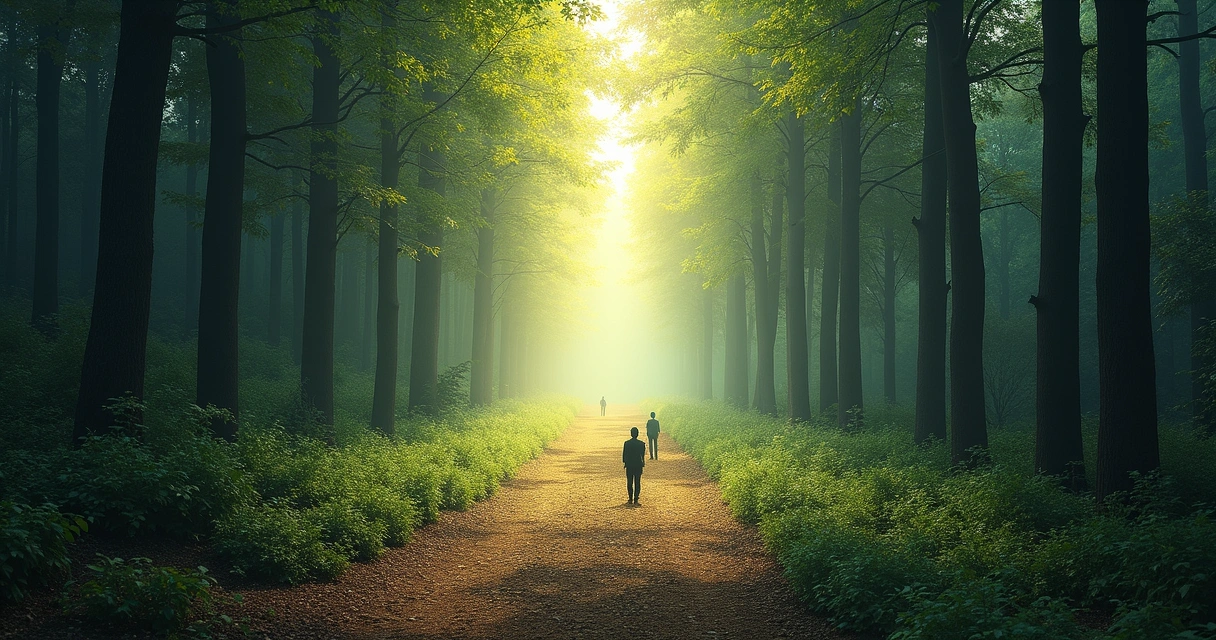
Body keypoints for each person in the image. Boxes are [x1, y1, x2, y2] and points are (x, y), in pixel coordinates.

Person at [622, 426, 646, 504]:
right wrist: (643, 463)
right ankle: (636, 498)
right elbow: (642, 455)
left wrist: (625, 462)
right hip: (638, 464)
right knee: (637, 482)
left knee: (629, 482)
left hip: (629, 465)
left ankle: (630, 498)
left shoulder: (627, 443)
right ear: (637, 434)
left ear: (631, 434)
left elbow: (624, 455)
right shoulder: (641, 444)